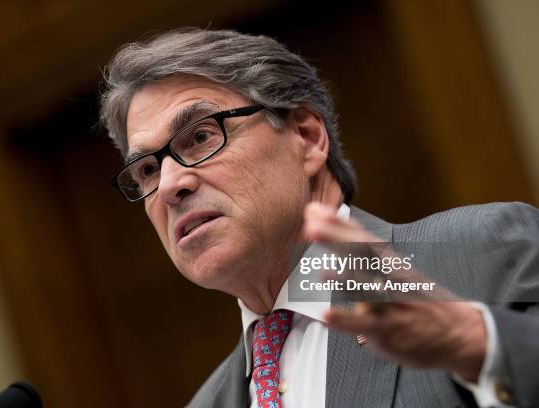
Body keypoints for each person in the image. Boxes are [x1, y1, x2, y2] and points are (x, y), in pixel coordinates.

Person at [99, 28, 539, 408]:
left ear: (306, 137)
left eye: (200, 136)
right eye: (148, 170)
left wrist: (482, 348)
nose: (172, 183)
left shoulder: (483, 255)